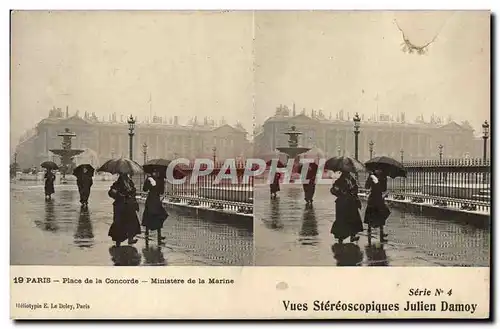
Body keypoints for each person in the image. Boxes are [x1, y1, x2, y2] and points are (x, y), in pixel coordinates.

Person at [330, 170, 363, 243]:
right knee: (348, 219)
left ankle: (346, 237)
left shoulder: (349, 180)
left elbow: (333, 191)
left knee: (347, 219)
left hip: (346, 202)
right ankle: (345, 237)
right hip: (346, 202)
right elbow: (333, 190)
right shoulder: (342, 181)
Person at [108, 173, 141, 247]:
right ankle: (118, 241)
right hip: (120, 206)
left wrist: (135, 203)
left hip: (129, 205)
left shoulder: (130, 183)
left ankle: (130, 238)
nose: (126, 177)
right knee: (119, 223)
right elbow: (111, 193)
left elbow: (133, 193)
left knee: (132, 222)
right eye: (124, 176)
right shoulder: (117, 184)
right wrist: (118, 194)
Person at [141, 170, 168, 245]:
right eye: (154, 172)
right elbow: (145, 189)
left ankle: (159, 235)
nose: (156, 173)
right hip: (151, 199)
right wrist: (148, 182)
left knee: (159, 215)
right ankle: (147, 231)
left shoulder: (160, 179)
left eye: (157, 172)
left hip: (156, 200)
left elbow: (161, 192)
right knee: (150, 215)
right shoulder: (149, 179)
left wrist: (162, 183)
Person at [364, 169, 391, 242]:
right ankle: (373, 231)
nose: (379, 171)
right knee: (377, 214)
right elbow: (367, 186)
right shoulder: (375, 176)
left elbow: (367, 187)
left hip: (376, 198)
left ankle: (377, 232)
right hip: (376, 198)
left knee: (379, 214)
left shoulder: (381, 177)